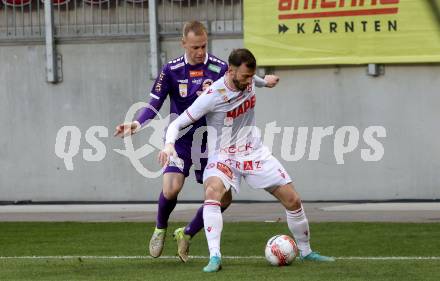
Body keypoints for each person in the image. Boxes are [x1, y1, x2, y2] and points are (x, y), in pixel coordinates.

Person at [114, 21, 278, 262]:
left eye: (203, 46)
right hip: (179, 139)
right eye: (194, 47)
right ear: (183, 44)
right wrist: (137, 124)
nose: (200, 52)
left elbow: (242, 77)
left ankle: (187, 233)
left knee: (224, 198)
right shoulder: (171, 70)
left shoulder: (219, 66)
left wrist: (264, 81)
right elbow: (153, 104)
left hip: (209, 142)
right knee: (171, 188)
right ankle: (160, 228)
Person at [159, 48, 335, 273]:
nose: (249, 81)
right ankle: (214, 257)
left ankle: (306, 251)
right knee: (213, 192)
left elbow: (256, 80)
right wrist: (169, 144)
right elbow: (177, 123)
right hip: (224, 155)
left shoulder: (249, 80)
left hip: (253, 152)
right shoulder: (212, 95)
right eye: (245, 76)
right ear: (230, 71)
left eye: (252, 76)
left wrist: (266, 81)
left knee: (293, 200)